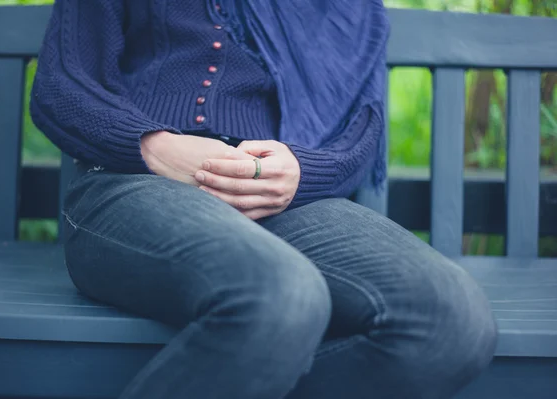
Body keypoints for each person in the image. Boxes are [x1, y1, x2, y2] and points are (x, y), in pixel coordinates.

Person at [30, 0, 498, 398]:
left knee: (451, 322)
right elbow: (63, 86)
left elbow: (362, 128)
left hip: (284, 199)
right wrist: (155, 147)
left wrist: (302, 171)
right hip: (133, 182)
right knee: (281, 295)